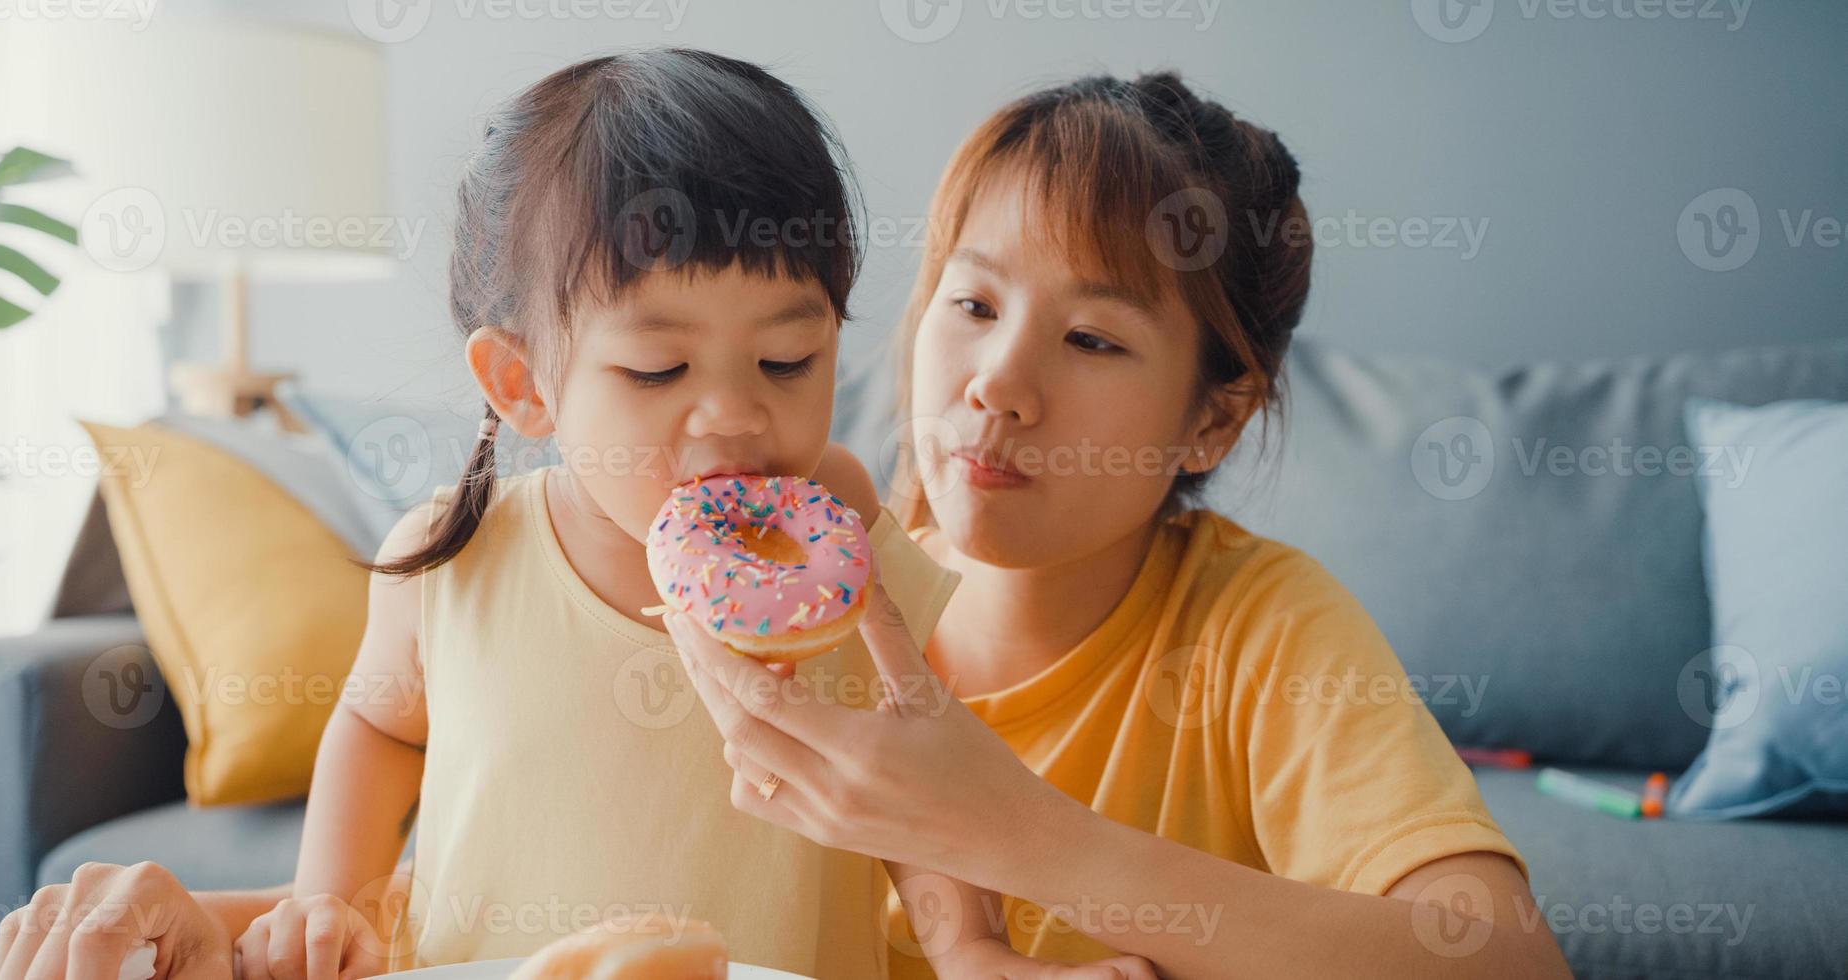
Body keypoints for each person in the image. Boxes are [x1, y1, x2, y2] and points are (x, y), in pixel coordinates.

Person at [0, 49, 1153, 980]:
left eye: (789, 357)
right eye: (656, 372)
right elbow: (379, 727)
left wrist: (967, 944)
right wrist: (325, 900)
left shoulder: (830, 532)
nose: (735, 419)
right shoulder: (456, 553)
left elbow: (909, 776)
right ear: (523, 384)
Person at [660, 71, 1574, 979]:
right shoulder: (777, 615)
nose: (998, 386)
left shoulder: (1258, 629)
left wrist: (1015, 831)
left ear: (1211, 420)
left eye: (1092, 340)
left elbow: (1509, 967)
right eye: (973, 305)